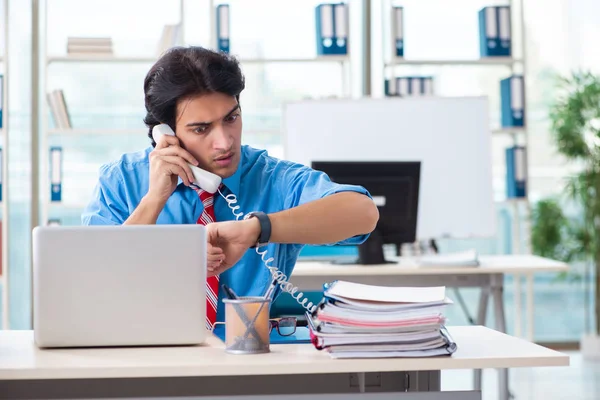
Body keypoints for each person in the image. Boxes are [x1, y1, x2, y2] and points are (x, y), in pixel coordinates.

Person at [81, 46, 379, 324]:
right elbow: (93, 285)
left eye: (231, 118)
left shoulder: (270, 177)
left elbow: (363, 214)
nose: (225, 142)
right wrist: (154, 201)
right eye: (201, 128)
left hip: (245, 357)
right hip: (142, 359)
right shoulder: (121, 179)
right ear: (166, 133)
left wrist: (257, 229)